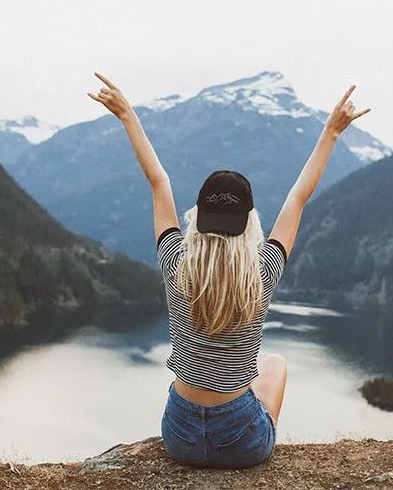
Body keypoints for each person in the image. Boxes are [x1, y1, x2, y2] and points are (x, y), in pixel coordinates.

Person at [88, 72, 369, 468]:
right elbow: (299, 196)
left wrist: (128, 116)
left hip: (179, 435)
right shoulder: (262, 271)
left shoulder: (176, 262)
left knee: (232, 378)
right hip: (242, 443)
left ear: (198, 218)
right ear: (249, 222)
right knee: (274, 365)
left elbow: (158, 181)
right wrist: (331, 133)